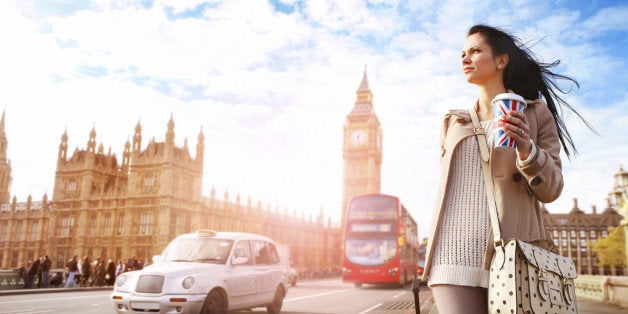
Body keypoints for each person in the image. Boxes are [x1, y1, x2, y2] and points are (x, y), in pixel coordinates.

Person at [422, 24, 591, 313]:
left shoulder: (535, 114)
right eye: (462, 53)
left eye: (475, 51)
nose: (465, 58)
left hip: (513, 253)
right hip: (451, 253)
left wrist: (527, 148)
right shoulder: (453, 123)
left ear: (501, 60)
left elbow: (551, 190)